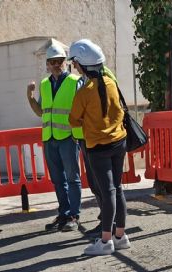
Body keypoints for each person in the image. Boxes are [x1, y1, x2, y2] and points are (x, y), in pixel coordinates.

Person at [68, 40, 131, 255]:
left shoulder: (84, 92)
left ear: (82, 64)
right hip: (119, 141)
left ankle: (105, 242)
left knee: (108, 191)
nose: (74, 67)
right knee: (118, 189)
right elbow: (120, 110)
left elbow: (73, 120)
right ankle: (120, 236)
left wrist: (88, 121)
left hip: (97, 146)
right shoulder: (111, 83)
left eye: (75, 64)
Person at [26, 39, 83, 232]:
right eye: (52, 61)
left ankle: (74, 215)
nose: (56, 64)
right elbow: (41, 112)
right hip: (49, 138)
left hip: (68, 137)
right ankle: (64, 212)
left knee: (73, 178)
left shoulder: (75, 82)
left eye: (60, 60)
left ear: (65, 61)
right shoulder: (44, 84)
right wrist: (29, 97)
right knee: (58, 179)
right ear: (47, 65)